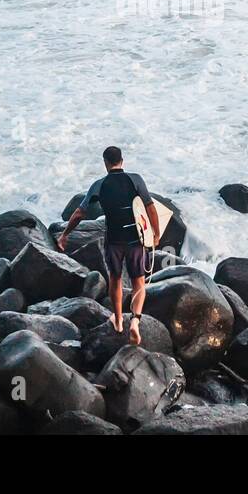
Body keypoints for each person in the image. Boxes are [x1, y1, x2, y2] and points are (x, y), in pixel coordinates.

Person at [57, 146, 160, 345]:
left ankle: (119, 320)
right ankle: (135, 322)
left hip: (114, 240)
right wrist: (155, 233)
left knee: (115, 279)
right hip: (135, 239)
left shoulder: (99, 185)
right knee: (139, 281)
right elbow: (150, 207)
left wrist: (64, 235)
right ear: (122, 160)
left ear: (105, 163)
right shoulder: (135, 179)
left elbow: (79, 213)